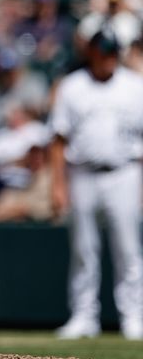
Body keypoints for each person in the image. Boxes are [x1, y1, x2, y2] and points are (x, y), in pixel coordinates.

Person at [50, 27, 143, 340]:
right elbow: (59, 140)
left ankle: (133, 317)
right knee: (83, 250)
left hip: (125, 172)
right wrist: (58, 185)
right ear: (91, 52)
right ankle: (83, 316)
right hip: (83, 173)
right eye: (102, 53)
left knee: (129, 250)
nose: (107, 59)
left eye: (112, 53)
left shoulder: (134, 85)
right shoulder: (73, 87)